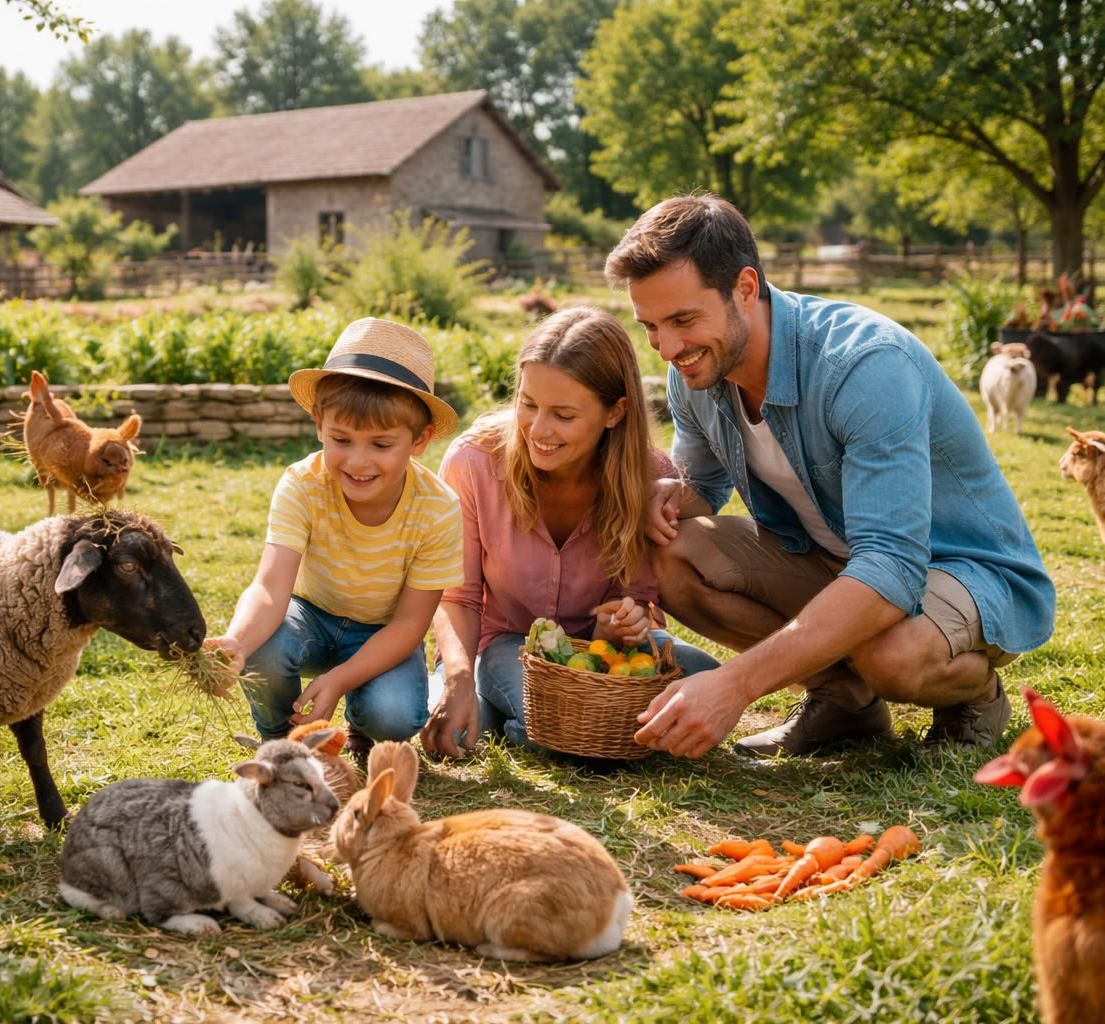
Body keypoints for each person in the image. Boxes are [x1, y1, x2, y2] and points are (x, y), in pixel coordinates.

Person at [612, 194, 1055, 759]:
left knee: (889, 653)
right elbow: (704, 488)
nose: (667, 347)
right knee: (672, 552)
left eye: (683, 320)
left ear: (745, 288)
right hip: (841, 560)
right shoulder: (697, 371)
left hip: (958, 567)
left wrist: (735, 685)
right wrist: (669, 498)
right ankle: (843, 705)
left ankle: (976, 695)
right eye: (649, 326)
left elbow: (892, 566)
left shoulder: (865, 365)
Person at [421, 306, 719, 758]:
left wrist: (621, 621)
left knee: (706, 678)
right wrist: (458, 676)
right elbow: (456, 597)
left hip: (598, 652)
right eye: (528, 404)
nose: (539, 430)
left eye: (563, 415)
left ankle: (517, 720)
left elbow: (636, 598)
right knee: (567, 720)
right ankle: (497, 703)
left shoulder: (647, 476)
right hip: (502, 642)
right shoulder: (475, 462)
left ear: (615, 412)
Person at [209, 318, 465, 760]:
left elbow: (409, 624)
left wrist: (341, 679)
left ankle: (363, 728)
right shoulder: (302, 483)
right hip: (309, 615)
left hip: (384, 630)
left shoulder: (438, 507)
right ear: (318, 425)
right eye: (341, 440)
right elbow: (270, 589)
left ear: (419, 440)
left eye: (382, 445)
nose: (358, 462)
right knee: (262, 653)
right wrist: (238, 640)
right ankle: (280, 740)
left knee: (395, 715)